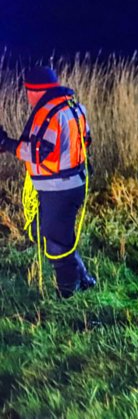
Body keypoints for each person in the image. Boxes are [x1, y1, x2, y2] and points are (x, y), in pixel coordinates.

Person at [0, 66, 96, 298]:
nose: (27, 97)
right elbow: (87, 139)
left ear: (34, 90)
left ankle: (67, 295)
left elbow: (38, 153)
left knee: (55, 241)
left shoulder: (47, 112)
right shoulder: (74, 106)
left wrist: (7, 144)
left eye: (27, 92)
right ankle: (82, 278)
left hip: (60, 189)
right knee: (42, 230)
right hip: (70, 184)